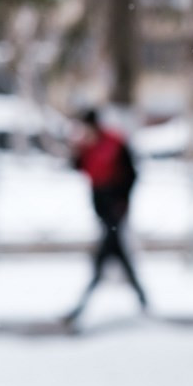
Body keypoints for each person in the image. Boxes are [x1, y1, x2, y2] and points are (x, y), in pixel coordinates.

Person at [65, 108, 147, 327]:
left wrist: (122, 202)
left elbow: (131, 173)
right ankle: (143, 301)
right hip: (101, 208)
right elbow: (77, 166)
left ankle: (81, 307)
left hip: (115, 208)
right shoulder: (88, 146)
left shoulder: (114, 143)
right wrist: (77, 148)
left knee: (105, 256)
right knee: (118, 254)